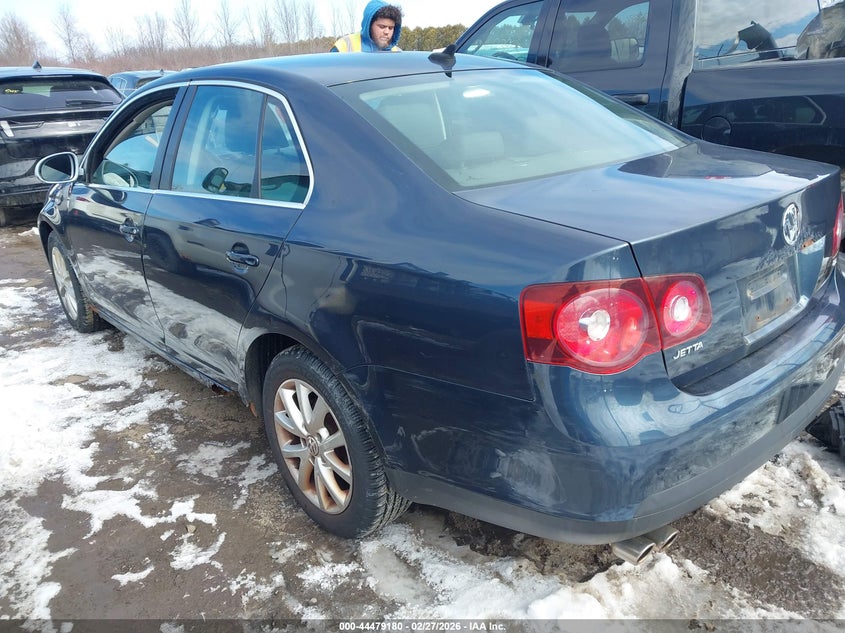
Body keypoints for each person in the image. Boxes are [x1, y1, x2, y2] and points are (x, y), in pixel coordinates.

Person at [330, 1, 403, 52]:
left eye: (391, 28)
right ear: (369, 25)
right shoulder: (344, 46)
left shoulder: (398, 54)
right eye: (382, 27)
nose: (387, 32)